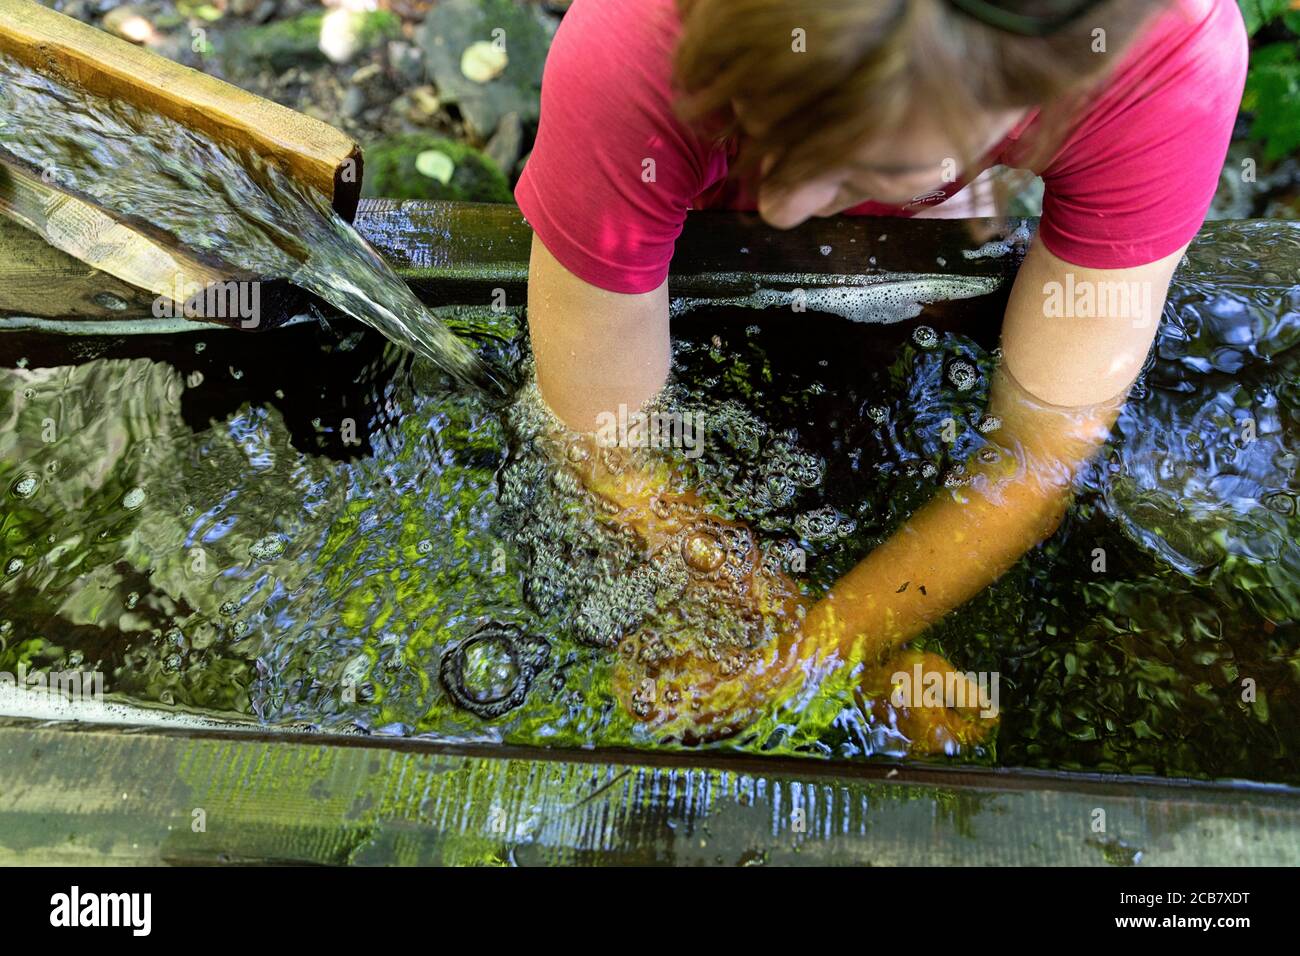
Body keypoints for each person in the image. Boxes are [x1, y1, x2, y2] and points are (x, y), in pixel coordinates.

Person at [514, 0, 1248, 750]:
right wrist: (842, 664)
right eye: (760, 124)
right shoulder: (633, 43)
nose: (780, 207)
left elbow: (1040, 451)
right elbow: (603, 442)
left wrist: (805, 661)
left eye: (868, 171)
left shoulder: (1164, 58)